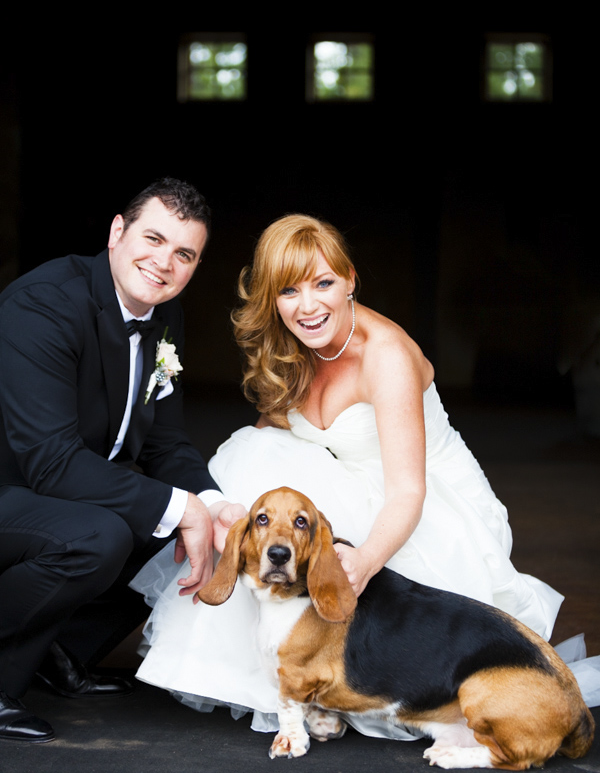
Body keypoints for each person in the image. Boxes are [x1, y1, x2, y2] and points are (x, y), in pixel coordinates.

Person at [132, 213, 598, 740]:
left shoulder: (386, 355)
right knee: (252, 457)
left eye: (323, 283)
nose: (308, 306)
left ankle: (332, 681)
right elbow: (269, 431)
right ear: (272, 299)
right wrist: (222, 509)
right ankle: (279, 673)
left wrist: (365, 560)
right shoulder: (292, 346)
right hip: (343, 476)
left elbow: (408, 490)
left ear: (350, 280)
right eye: (288, 290)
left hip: (420, 501)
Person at [0, 178, 243, 743]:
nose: (164, 263)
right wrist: (181, 508)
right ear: (117, 232)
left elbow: (165, 441)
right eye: (153, 239)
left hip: (54, 492)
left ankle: (53, 653)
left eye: (183, 254)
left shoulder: (164, 317)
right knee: (104, 534)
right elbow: (50, 461)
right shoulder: (44, 305)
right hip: (15, 486)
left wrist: (210, 505)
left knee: (182, 527)